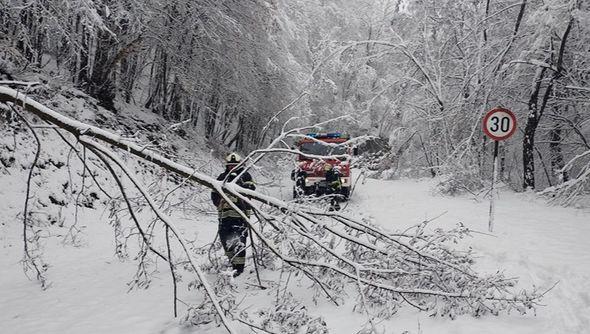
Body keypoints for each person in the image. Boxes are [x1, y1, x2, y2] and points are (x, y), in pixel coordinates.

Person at [210, 153, 256, 277]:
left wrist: (237, 195)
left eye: (235, 166)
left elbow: (251, 190)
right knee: (225, 239)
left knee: (239, 240)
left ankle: (239, 268)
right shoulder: (222, 177)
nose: (232, 168)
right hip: (224, 217)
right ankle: (232, 261)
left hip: (240, 216)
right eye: (230, 166)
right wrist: (219, 201)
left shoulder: (245, 176)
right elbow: (214, 193)